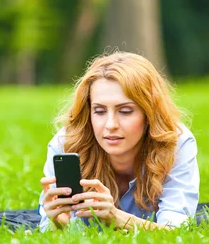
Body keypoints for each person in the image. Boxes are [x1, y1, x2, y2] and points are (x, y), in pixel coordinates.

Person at [38, 51, 199, 232]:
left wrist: (116, 218)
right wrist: (59, 224)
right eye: (99, 111)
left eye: (125, 111)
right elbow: (49, 232)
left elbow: (176, 232)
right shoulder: (66, 144)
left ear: (149, 114)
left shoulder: (176, 143)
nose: (110, 125)